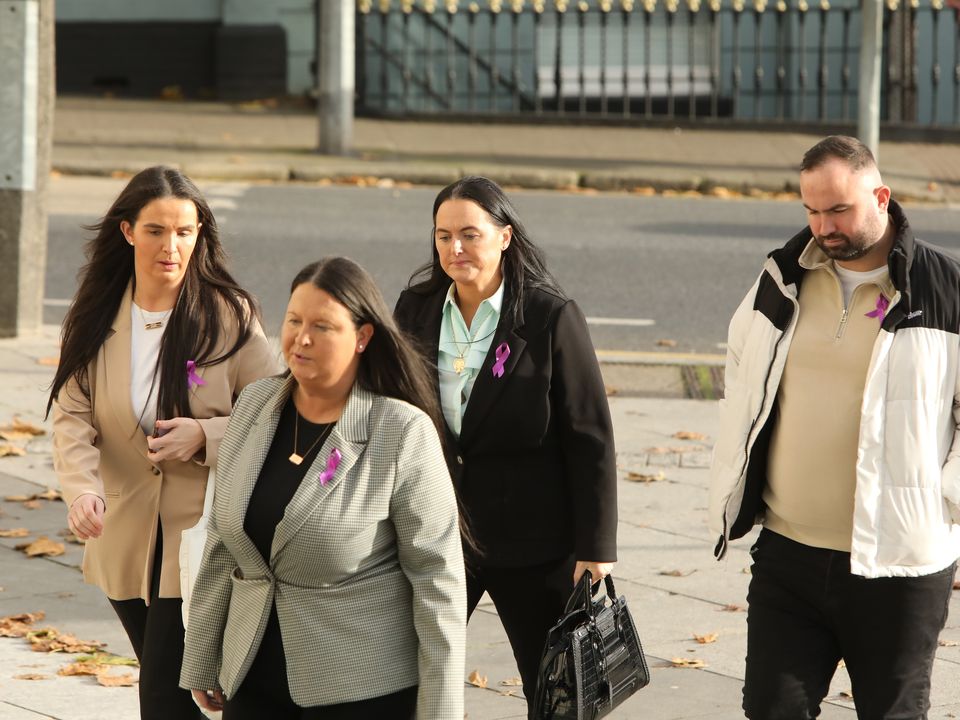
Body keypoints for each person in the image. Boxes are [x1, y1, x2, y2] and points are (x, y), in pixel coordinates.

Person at [710, 135, 960, 719]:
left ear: (881, 197)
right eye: (812, 210)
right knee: (770, 710)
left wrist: (943, 500)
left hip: (896, 566)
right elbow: (742, 371)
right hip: (788, 556)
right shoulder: (781, 277)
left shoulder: (944, 292)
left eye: (839, 209)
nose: (825, 226)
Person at [179, 257, 466, 720]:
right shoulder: (255, 406)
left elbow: (438, 581)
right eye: (293, 321)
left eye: (323, 326)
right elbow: (222, 542)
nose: (301, 338)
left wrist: (440, 712)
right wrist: (202, 658)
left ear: (363, 337)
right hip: (251, 677)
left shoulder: (400, 431)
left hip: (359, 689)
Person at [48, 166, 279, 719]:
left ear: (200, 235)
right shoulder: (95, 314)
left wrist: (206, 434)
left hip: (202, 540)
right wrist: (81, 490)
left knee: (163, 698)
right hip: (123, 537)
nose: (170, 247)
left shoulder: (229, 315)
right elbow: (72, 413)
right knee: (176, 691)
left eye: (184, 232)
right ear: (128, 232)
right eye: (156, 231)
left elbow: (275, 410)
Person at [394, 175, 618, 716]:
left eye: (470, 234)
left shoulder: (548, 315)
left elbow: (590, 435)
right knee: (403, 678)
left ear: (505, 237)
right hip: (439, 531)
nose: (455, 249)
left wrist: (597, 549)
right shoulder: (417, 308)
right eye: (443, 236)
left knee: (557, 696)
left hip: (534, 540)